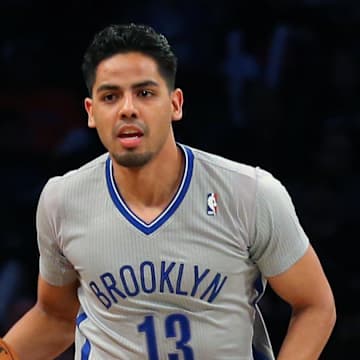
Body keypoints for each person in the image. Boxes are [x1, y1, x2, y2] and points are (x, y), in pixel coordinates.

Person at [2, 23, 336, 360]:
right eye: (110, 96)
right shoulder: (61, 199)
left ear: (175, 104)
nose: (127, 109)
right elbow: (55, 316)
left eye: (145, 93)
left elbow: (315, 305)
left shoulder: (250, 193)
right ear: (91, 113)